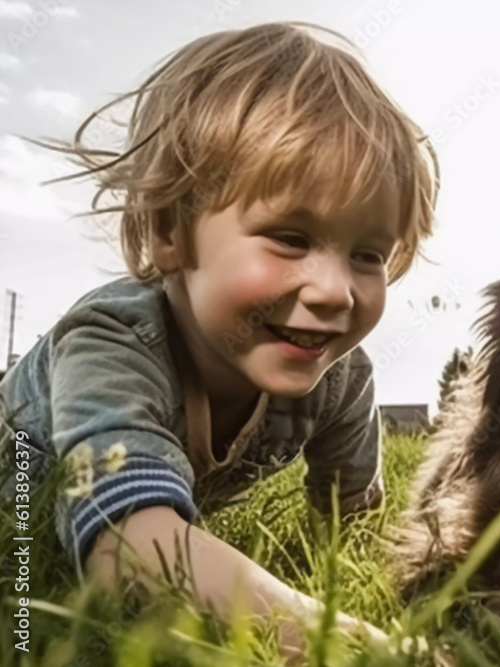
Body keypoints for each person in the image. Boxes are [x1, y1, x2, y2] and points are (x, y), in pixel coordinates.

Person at [0, 21, 438, 661]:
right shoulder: (110, 343)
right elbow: (129, 551)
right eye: (291, 238)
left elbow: (352, 527)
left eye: (369, 254)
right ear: (170, 231)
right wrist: (346, 645)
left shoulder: (339, 376)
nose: (336, 291)